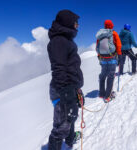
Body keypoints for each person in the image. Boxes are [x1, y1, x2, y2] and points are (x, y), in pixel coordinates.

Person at [47, 10, 84, 150]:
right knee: (61, 126)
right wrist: (67, 94)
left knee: (71, 116)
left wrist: (76, 89)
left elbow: (70, 67)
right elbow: (59, 68)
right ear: (68, 22)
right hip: (62, 89)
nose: (77, 26)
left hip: (69, 87)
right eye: (76, 23)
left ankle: (70, 139)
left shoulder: (65, 40)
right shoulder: (59, 41)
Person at [96, 20, 122, 102]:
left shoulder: (100, 34)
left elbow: (97, 46)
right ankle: (108, 96)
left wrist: (99, 56)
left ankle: (101, 94)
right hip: (112, 57)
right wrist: (119, 55)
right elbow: (118, 44)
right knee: (111, 76)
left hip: (103, 58)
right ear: (111, 25)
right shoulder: (113, 33)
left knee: (103, 75)